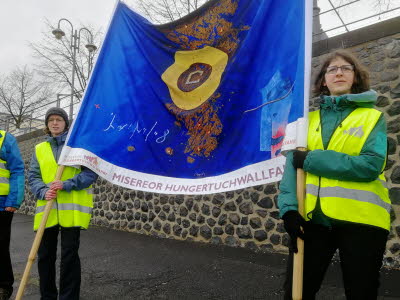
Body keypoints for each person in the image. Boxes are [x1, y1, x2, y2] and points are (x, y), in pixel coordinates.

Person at [278, 50, 391, 300]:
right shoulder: (305, 121)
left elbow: (370, 165)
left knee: (361, 293)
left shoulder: (372, 118)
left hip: (363, 221)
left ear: (355, 78)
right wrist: (288, 210)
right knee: (296, 292)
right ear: (323, 81)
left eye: (346, 68)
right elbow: (290, 169)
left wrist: (311, 160)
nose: (339, 72)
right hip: (313, 222)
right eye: (332, 69)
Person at [28, 107, 98, 300]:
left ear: (66, 123)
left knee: (69, 258)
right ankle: (47, 296)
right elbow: (33, 176)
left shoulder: (77, 147)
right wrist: (43, 190)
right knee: (45, 257)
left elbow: (90, 174)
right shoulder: (39, 149)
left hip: (72, 211)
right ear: (47, 124)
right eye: (51, 120)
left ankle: (69, 297)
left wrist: (66, 184)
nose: (55, 123)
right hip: (47, 211)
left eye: (59, 119)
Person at [0, 131, 24, 300]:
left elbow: (16, 169)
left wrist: (13, 200)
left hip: (2, 204)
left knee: (0, 247)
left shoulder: (5, 138)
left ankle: (3, 286)